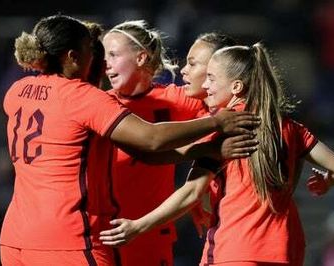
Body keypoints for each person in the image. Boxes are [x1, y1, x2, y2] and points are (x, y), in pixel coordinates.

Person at [0, 14, 261, 266]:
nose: (101, 62)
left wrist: (208, 151)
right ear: (72, 57)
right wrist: (217, 123)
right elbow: (151, 139)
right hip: (67, 236)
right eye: (95, 51)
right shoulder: (86, 99)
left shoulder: (16, 92)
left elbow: (145, 154)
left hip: (16, 237)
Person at [99, 43, 334, 266]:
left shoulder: (224, 125)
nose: (206, 85)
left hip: (236, 246)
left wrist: (138, 226)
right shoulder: (290, 127)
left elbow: (191, 192)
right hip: (286, 248)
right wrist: (327, 182)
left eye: (210, 77)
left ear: (236, 86)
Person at [102, 21, 257, 266]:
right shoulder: (97, 105)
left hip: (152, 231)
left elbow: (219, 99)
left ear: (141, 57)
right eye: (103, 55)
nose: (105, 63)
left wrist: (201, 191)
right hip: (103, 230)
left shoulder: (179, 100)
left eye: (112, 54)